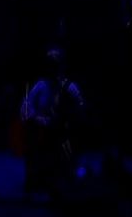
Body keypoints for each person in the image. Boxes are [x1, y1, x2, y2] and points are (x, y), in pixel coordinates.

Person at [19, 48, 86, 195]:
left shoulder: (70, 87)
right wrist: (37, 118)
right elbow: (26, 107)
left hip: (64, 134)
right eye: (50, 64)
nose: (52, 68)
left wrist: (70, 119)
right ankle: (37, 183)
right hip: (43, 134)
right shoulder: (40, 86)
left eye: (55, 64)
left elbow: (81, 108)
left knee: (67, 152)